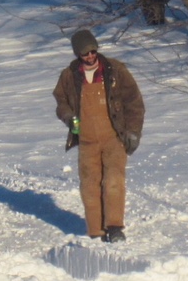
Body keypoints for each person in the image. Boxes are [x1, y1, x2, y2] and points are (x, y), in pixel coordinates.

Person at [53, 30, 144, 242]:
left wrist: (133, 132)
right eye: (85, 54)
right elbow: (61, 102)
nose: (91, 56)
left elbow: (134, 102)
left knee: (113, 180)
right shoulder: (69, 75)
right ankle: (95, 231)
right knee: (89, 184)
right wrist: (69, 118)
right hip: (86, 139)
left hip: (114, 136)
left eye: (93, 51)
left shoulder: (115, 70)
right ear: (78, 55)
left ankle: (114, 227)